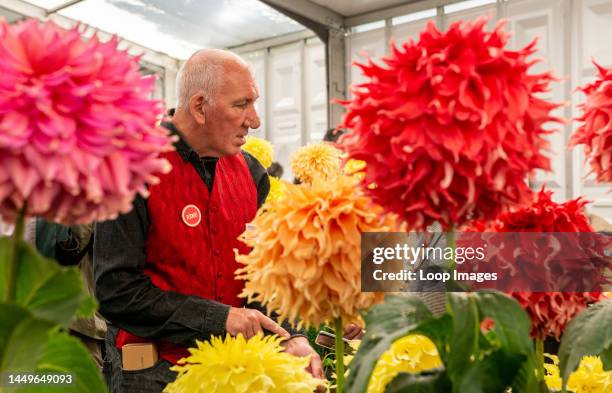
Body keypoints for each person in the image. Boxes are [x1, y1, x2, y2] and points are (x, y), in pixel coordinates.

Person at [94, 49, 322, 392]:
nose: (255, 120)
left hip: (233, 371)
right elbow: (115, 291)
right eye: (241, 105)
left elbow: (262, 277)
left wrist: (291, 337)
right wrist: (219, 319)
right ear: (199, 107)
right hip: (152, 374)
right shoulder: (133, 169)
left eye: (253, 103)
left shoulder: (252, 173)